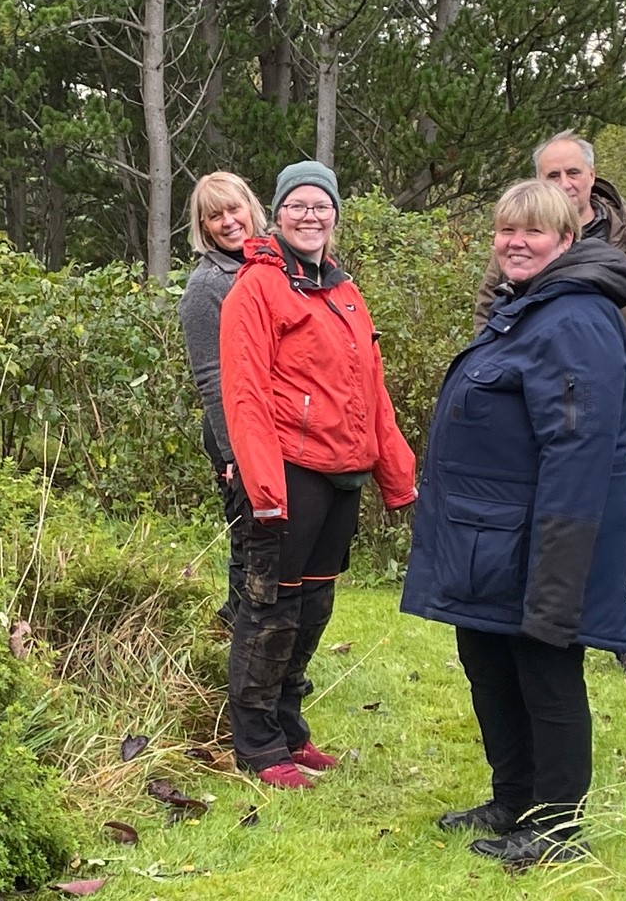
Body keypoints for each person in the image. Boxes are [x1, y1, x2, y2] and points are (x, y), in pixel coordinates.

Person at [403, 179, 626, 867]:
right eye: (507, 230)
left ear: (566, 239)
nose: (516, 242)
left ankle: (557, 827)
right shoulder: (526, 307)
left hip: (538, 539)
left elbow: (578, 449)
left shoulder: (575, 320)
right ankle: (513, 799)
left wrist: (556, 571)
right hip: (489, 538)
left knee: (545, 672)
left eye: (533, 231)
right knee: (490, 664)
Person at [219, 160, 416, 789]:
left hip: (342, 472)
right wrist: (263, 487)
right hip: (288, 471)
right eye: (298, 205)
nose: (310, 216)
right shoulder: (257, 287)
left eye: (321, 205)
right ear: (277, 214)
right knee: (270, 607)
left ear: (335, 215)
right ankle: (256, 744)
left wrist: (396, 471)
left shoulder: (342, 289)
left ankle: (289, 728)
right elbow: (244, 393)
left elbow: (371, 388)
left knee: (313, 605)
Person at [475, 130, 626, 680]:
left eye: (573, 173)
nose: (564, 182)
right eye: (552, 174)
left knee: (614, 520)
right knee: (541, 515)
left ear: (591, 176)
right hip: (535, 402)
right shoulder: (520, 238)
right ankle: (536, 617)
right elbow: (490, 310)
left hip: (608, 397)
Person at [177, 171, 269, 628]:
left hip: (278, 423)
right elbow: (211, 376)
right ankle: (235, 639)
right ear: (204, 226)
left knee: (278, 541)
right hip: (234, 428)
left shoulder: (272, 264)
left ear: (251, 208)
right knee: (250, 541)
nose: (229, 221)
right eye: (215, 216)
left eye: (234, 209)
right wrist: (234, 452)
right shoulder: (206, 286)